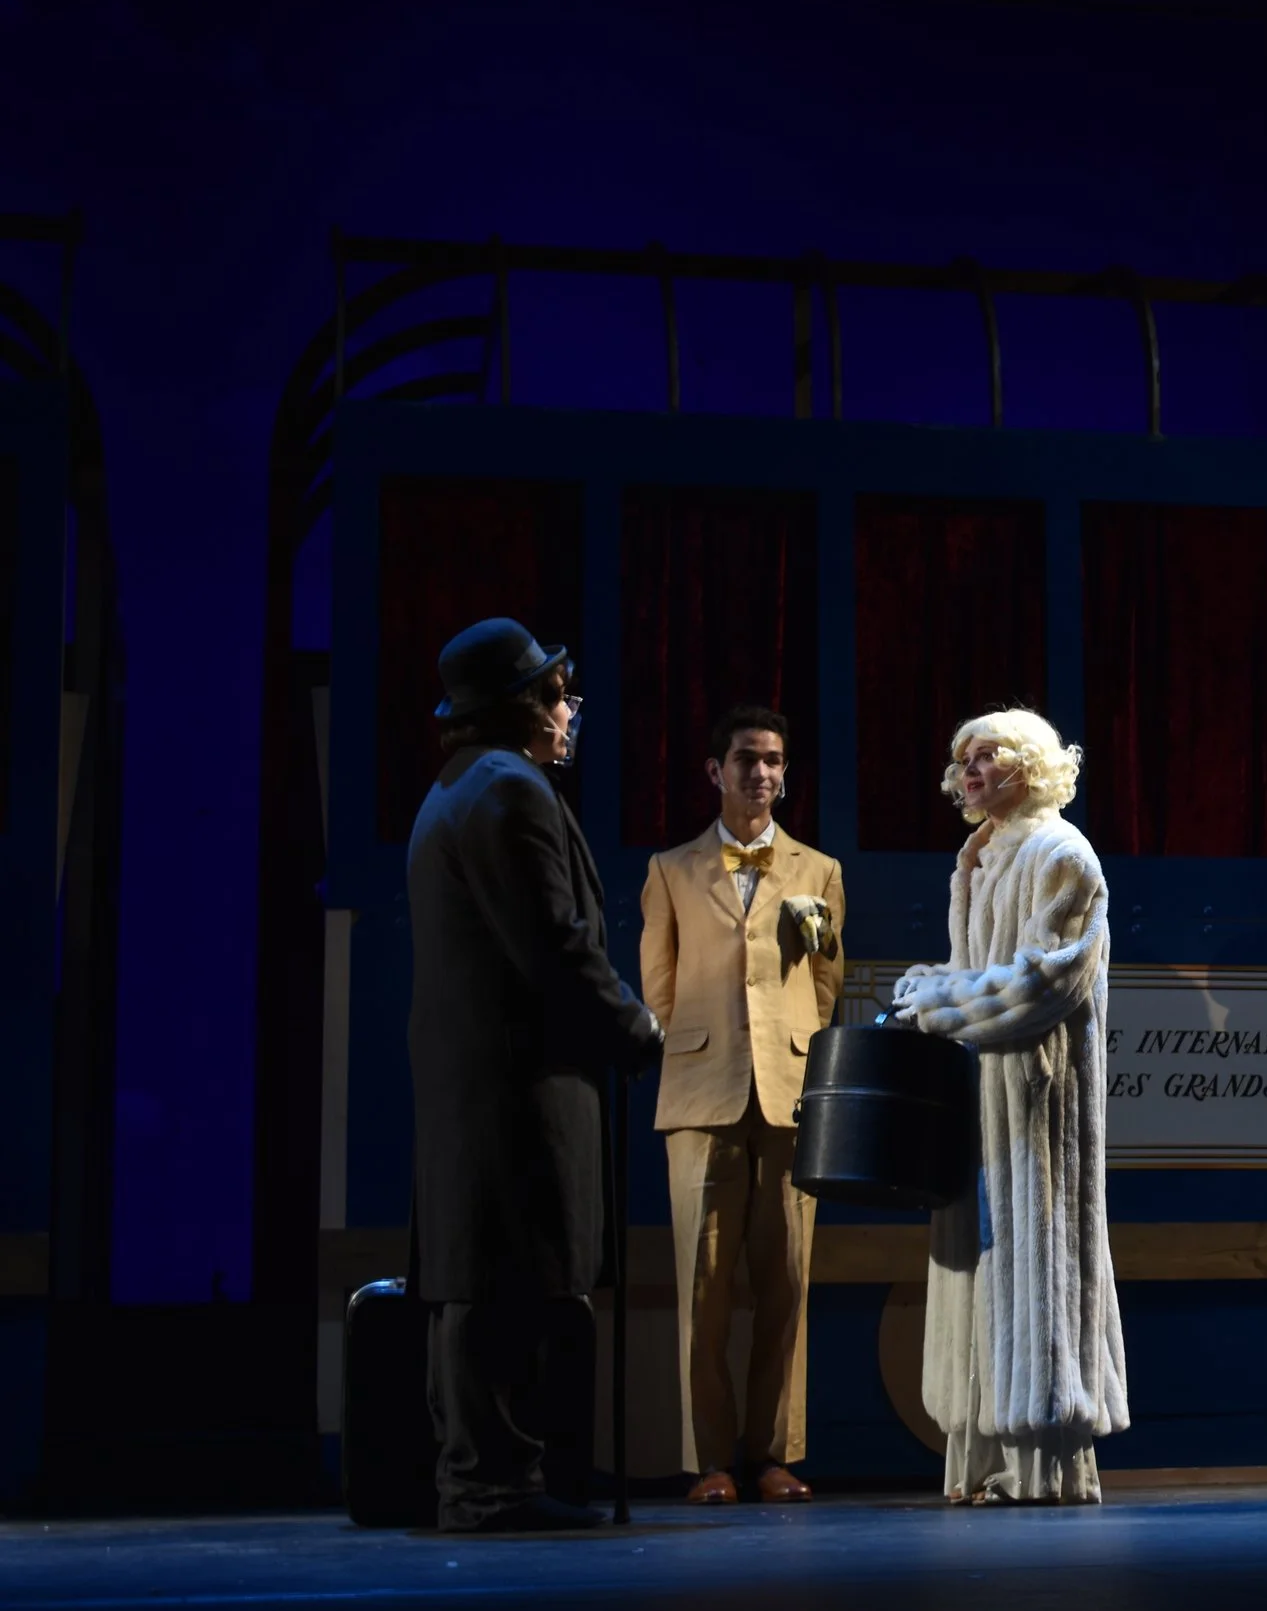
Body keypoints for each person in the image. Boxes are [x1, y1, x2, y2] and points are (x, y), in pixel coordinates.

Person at [407, 617, 664, 1532]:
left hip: (480, 1079)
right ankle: (493, 1485)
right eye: (555, 694)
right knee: (508, 1275)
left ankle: (486, 1477)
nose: (567, 710)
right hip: (517, 1081)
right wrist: (634, 1025)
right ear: (521, 706)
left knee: (485, 1273)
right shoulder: (508, 790)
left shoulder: (459, 785)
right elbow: (554, 945)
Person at [886, 708, 1129, 1504]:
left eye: (987, 755)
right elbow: (974, 968)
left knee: (1038, 1266)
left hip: (1035, 1100)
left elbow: (1043, 982)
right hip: (976, 1100)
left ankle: (1042, 1463)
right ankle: (980, 1457)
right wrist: (931, 985)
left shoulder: (1063, 853)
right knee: (982, 1266)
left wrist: (942, 1003)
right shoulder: (980, 859)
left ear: (1029, 764)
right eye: (963, 758)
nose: (970, 770)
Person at [638, 704, 846, 1505]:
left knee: (786, 1279)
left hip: (790, 1095)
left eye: (774, 760)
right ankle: (709, 1459)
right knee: (705, 1285)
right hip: (702, 1092)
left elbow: (825, 984)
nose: (762, 772)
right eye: (747, 758)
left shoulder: (818, 869)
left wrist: (794, 1054)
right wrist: (697, 1049)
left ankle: (773, 1453)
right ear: (715, 770)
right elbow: (659, 987)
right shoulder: (671, 869)